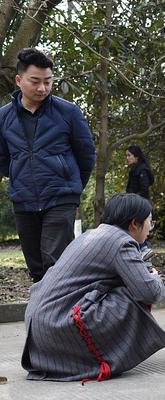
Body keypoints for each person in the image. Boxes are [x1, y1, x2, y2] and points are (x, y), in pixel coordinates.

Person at [21, 193, 165, 383]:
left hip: (39, 332)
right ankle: (106, 358)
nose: (151, 227)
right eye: (150, 221)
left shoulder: (90, 235)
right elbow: (150, 293)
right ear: (135, 223)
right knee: (132, 293)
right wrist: (154, 276)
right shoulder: (121, 242)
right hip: (57, 327)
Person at [0, 48, 96, 283]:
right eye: (35, 81)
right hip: (24, 200)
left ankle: (62, 317)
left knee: (55, 262)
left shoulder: (69, 112)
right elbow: (2, 158)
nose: (42, 88)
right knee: (36, 267)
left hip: (60, 198)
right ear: (19, 80)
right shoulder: (3, 117)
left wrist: (71, 189)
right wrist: (17, 174)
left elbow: (86, 155)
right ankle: (42, 317)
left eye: (48, 81)